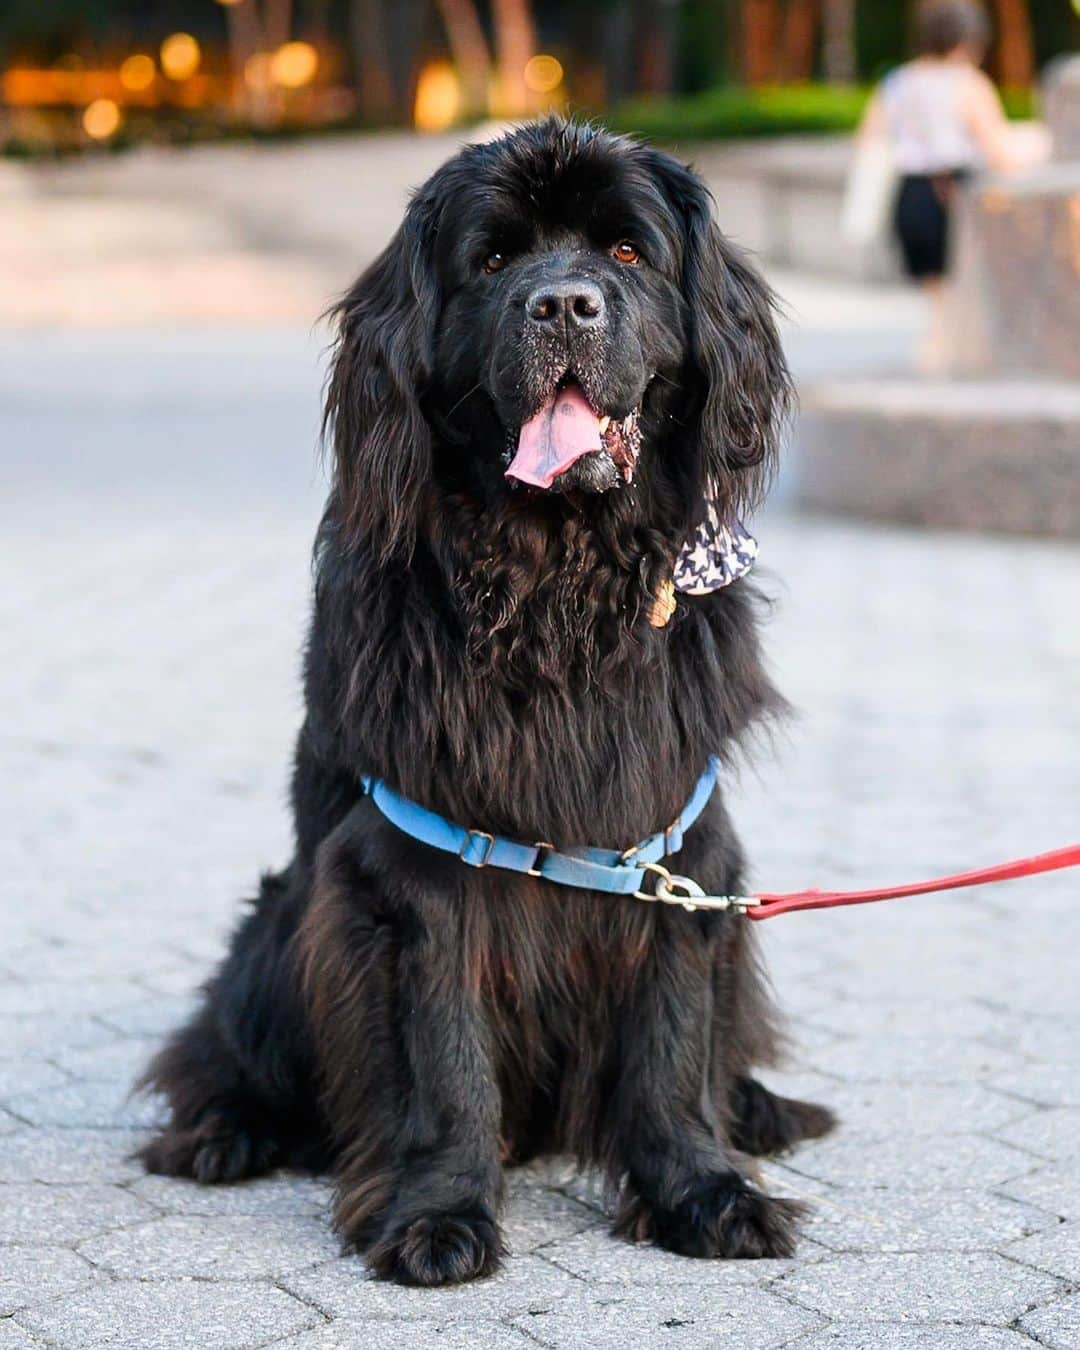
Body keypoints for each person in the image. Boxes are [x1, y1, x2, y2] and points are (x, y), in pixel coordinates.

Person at [857, 0, 1046, 289]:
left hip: (910, 196)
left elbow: (869, 141)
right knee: (962, 299)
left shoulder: (896, 83)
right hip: (953, 197)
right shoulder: (967, 84)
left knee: (935, 298)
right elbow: (999, 153)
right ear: (967, 38)